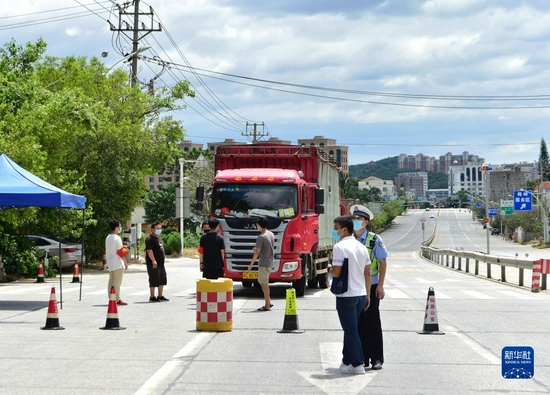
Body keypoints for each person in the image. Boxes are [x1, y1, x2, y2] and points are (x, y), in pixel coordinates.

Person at [327, 215, 371, 375]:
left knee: (351, 330)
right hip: (360, 294)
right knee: (350, 329)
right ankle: (346, 361)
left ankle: (358, 363)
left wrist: (329, 268)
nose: (335, 231)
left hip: (346, 295)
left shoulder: (339, 247)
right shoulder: (361, 247)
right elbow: (367, 273)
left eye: (336, 228)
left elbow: (337, 272)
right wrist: (368, 295)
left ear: (344, 229)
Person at [351, 204, 388, 371]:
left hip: (371, 286)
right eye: (354, 219)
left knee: (372, 323)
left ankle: (376, 358)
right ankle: (362, 358)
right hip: (354, 287)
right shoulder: (348, 239)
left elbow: (382, 262)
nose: (356, 222)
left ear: (366, 222)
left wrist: (380, 285)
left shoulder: (374, 239)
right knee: (357, 323)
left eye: (359, 219)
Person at [247, 216, 275, 311]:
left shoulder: (261, 237)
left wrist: (251, 264)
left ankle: (267, 305)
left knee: (264, 284)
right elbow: (266, 248)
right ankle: (269, 302)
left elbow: (257, 252)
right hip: (270, 261)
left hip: (263, 262)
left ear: (258, 225)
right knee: (264, 282)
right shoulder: (271, 234)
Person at [105, 220, 128, 306]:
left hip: (110, 263)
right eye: (119, 227)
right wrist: (125, 262)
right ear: (116, 228)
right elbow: (121, 251)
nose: (120, 228)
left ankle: (111, 297)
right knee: (117, 282)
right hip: (117, 263)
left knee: (111, 281)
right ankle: (117, 298)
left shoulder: (108, 237)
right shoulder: (117, 238)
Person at [145, 221, 169, 302]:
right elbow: (149, 250)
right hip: (153, 263)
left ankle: (160, 295)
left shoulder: (158, 238)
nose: (159, 230)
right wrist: (153, 260)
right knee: (154, 279)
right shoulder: (149, 239)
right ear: (152, 229)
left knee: (162, 279)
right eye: (157, 228)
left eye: (160, 228)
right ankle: (152, 296)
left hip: (161, 263)